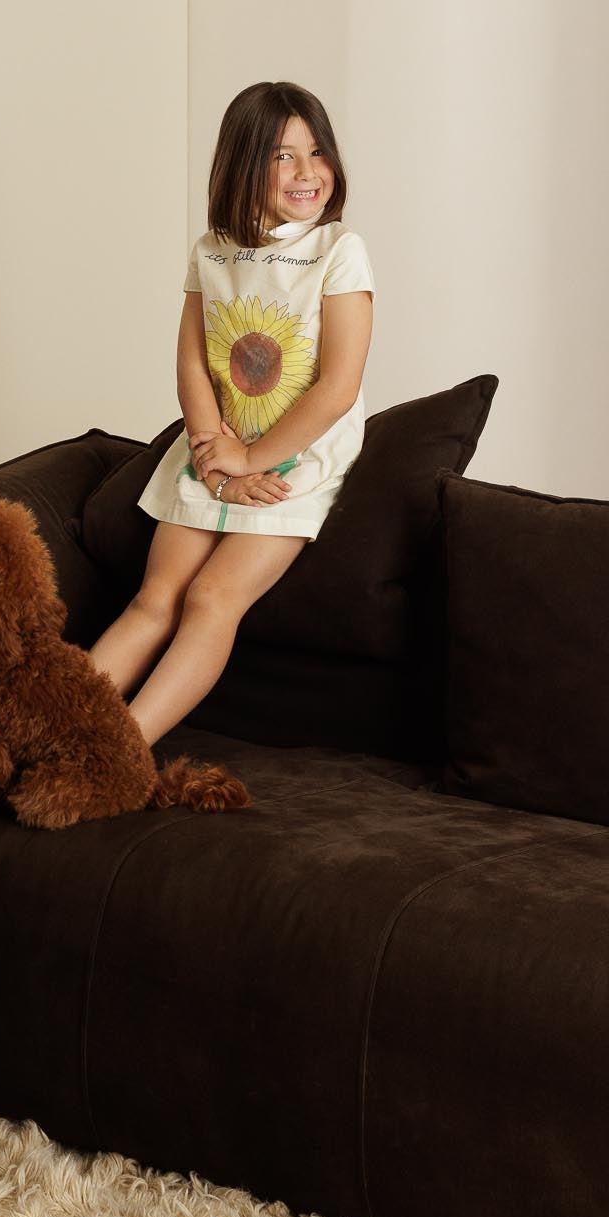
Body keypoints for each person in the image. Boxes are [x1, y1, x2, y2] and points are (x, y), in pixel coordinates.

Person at [88, 80, 374, 745]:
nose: (307, 172)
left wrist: (251, 461)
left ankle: (116, 754)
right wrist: (217, 462)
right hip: (213, 452)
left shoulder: (339, 252)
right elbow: (192, 364)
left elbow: (337, 387)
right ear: (244, 164)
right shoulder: (210, 250)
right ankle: (47, 735)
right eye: (282, 156)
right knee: (153, 600)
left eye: (317, 152)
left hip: (296, 462)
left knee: (211, 598)